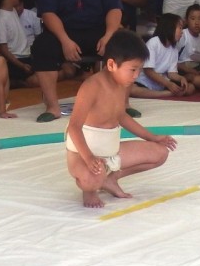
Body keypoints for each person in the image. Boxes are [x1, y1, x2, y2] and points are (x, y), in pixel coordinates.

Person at [66, 30, 177, 208]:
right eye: (132, 70)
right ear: (111, 64)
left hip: (111, 151)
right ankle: (90, 189)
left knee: (160, 153)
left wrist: (153, 137)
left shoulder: (122, 84)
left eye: (139, 69)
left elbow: (121, 116)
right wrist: (88, 158)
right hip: (83, 152)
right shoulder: (91, 87)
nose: (136, 75)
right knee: (91, 179)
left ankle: (111, 179)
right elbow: (74, 127)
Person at [31, 0, 122, 123]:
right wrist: (65, 40)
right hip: (63, 31)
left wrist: (108, 35)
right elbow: (48, 13)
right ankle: (52, 106)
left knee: (124, 44)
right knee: (42, 47)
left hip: (98, 30)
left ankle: (123, 103)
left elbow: (114, 9)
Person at [130, 13, 196, 98]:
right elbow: (149, 71)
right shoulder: (154, 43)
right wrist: (168, 84)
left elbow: (172, 73)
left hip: (162, 83)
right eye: (180, 28)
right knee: (132, 90)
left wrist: (181, 78)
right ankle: (166, 94)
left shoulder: (174, 49)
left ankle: (164, 93)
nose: (182, 32)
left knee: (191, 88)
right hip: (145, 81)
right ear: (170, 28)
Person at [0, 0, 39, 88]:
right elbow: (3, 49)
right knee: (38, 80)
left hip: (27, 56)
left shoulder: (13, 10)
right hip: (16, 61)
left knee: (47, 73)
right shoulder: (1, 18)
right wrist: (22, 66)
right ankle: (16, 83)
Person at [176, 4, 200, 94]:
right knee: (192, 81)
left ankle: (193, 83)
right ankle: (190, 81)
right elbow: (173, 60)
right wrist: (188, 70)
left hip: (197, 69)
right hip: (182, 69)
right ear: (186, 20)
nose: (197, 22)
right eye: (193, 19)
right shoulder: (182, 35)